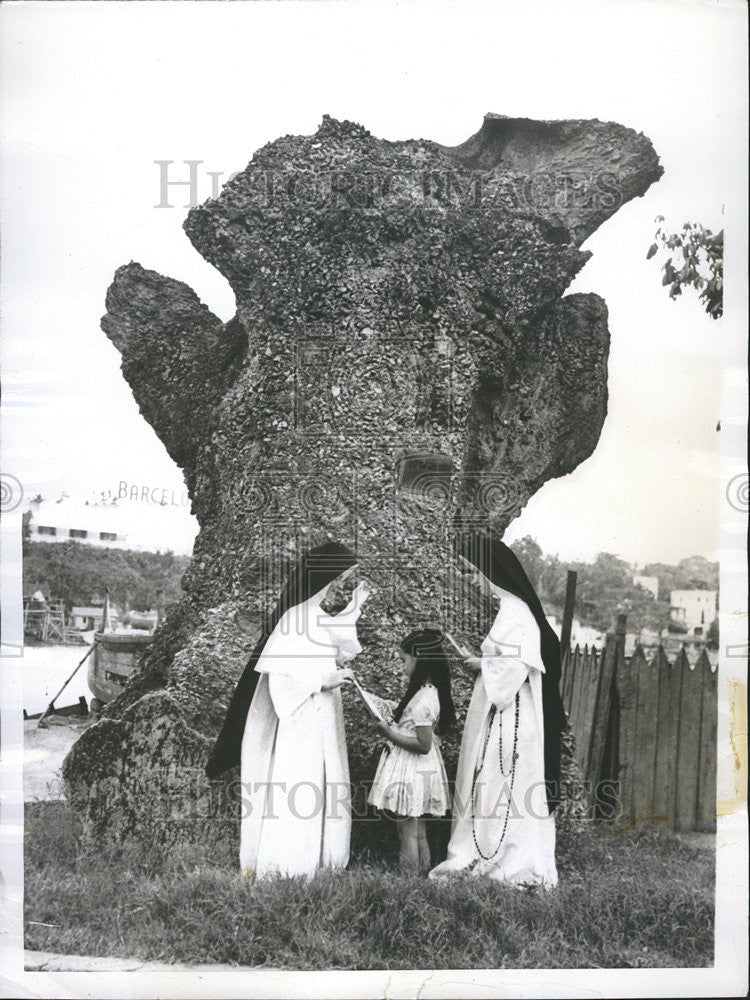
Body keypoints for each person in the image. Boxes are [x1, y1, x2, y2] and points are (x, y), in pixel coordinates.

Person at [206, 541, 369, 879]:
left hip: (323, 720)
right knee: (300, 791)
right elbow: (282, 682)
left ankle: (324, 864)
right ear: (322, 578)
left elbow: (334, 642)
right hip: (302, 723)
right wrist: (324, 681)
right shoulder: (293, 620)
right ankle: (288, 868)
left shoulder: (314, 616)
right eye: (339, 579)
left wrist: (354, 608)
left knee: (324, 791)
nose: (340, 586)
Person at [429, 533, 566, 888]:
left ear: (491, 572)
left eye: (475, 572)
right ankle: (492, 855)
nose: (474, 580)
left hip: (512, 717)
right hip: (509, 716)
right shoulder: (514, 611)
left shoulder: (514, 612)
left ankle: (499, 860)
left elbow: (512, 672)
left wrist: (485, 665)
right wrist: (483, 661)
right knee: (496, 787)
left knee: (499, 786)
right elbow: (510, 660)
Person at [368, 628, 455, 872]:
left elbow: (423, 745)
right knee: (417, 830)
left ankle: (406, 880)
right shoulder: (428, 693)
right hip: (421, 770)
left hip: (412, 768)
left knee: (406, 829)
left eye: (404, 660)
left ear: (419, 658)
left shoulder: (424, 700)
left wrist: (388, 734)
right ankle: (422, 875)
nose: (402, 666)